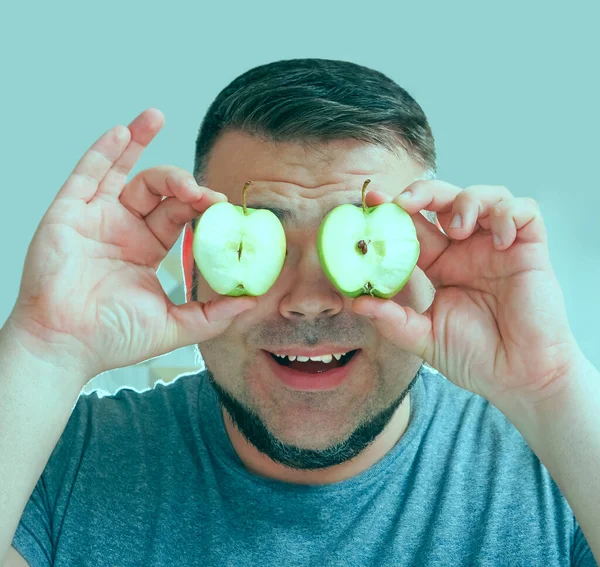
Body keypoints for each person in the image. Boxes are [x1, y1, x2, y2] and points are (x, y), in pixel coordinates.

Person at [0, 58, 598, 567]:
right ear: (192, 268)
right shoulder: (55, 456)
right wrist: (44, 348)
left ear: (426, 264)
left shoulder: (561, 468)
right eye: (264, 243)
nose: (308, 299)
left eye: (360, 244)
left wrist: (551, 384)